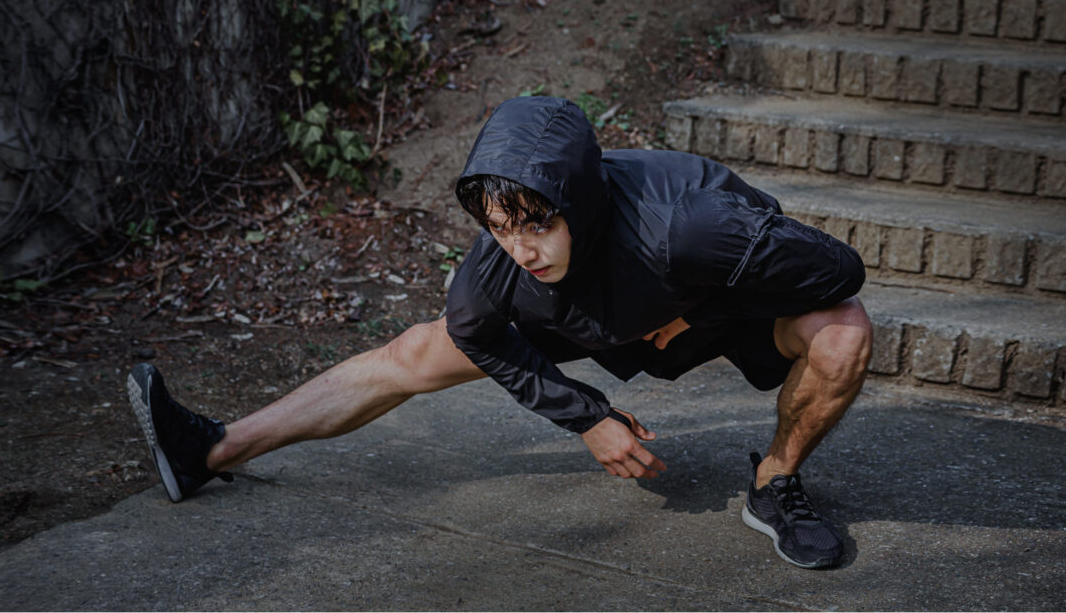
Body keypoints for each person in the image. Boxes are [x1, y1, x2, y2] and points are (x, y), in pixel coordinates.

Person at [128, 96, 872, 569]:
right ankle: (211, 449)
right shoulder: (501, 264)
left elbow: (841, 272)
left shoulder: (693, 228)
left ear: (578, 201)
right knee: (414, 352)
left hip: (709, 303)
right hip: (592, 318)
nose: (522, 248)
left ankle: (774, 484)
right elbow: (478, 336)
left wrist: (702, 305)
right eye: (502, 228)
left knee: (842, 332)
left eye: (538, 223)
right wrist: (588, 416)